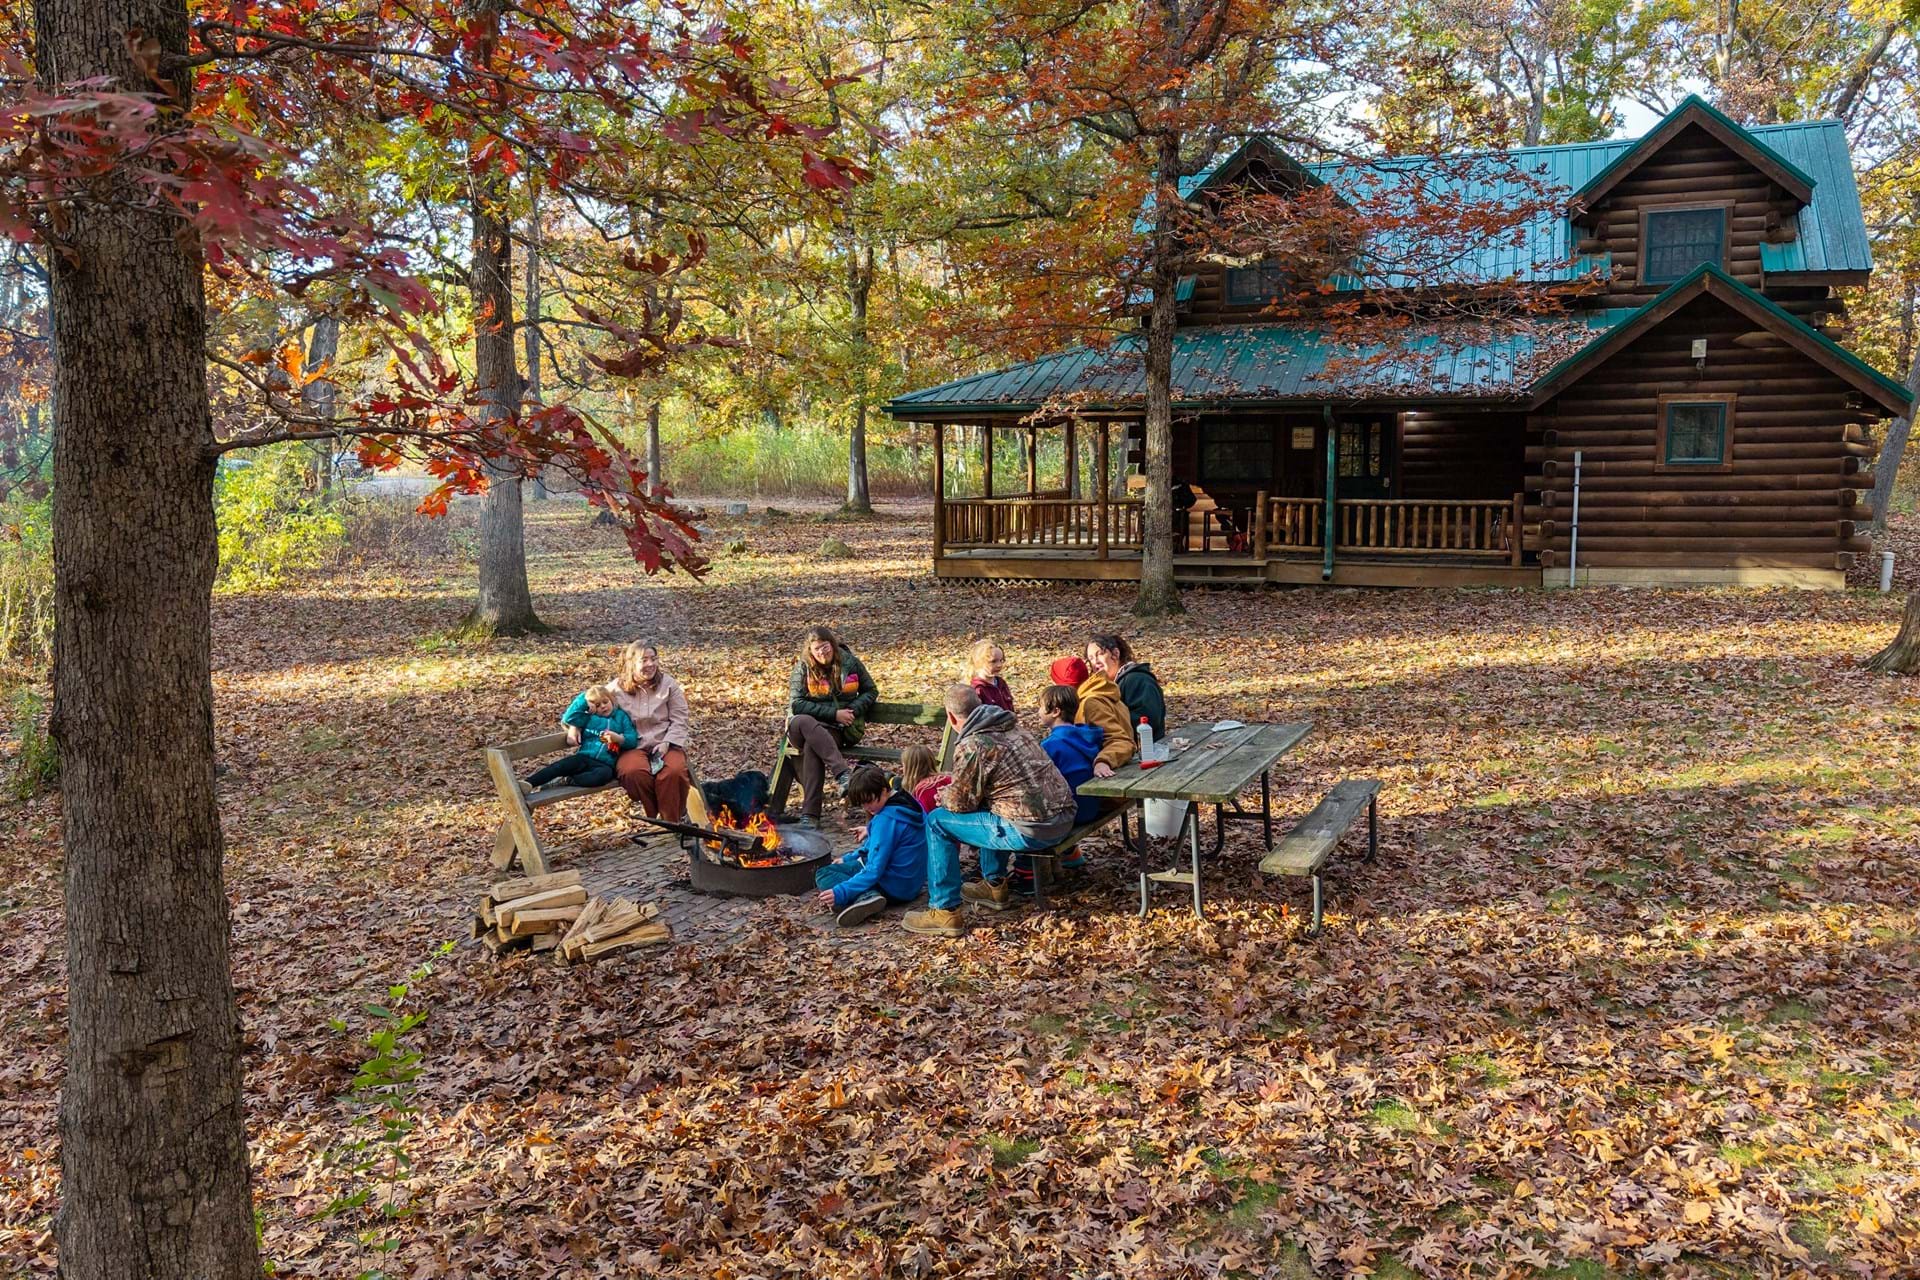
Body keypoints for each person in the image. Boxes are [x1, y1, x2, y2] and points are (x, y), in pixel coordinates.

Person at [903, 685, 1076, 937]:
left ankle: (944, 910)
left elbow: (960, 803)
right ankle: (993, 884)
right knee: (990, 801)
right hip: (1065, 818)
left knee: (937, 821)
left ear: (951, 718)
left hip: (1033, 829)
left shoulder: (974, 745)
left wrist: (944, 795)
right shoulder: (1015, 729)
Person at [1008, 684, 1106, 896]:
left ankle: (1026, 876)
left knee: (1026, 816)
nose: (1038, 712)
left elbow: (1035, 782)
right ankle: (1071, 855)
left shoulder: (1052, 745)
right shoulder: (1086, 736)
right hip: (1091, 805)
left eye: (1041, 707)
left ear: (1055, 711)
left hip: (1072, 811)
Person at [782, 625, 878, 828]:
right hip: (800, 725)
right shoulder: (803, 668)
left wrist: (852, 710)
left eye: (825, 647)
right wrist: (833, 713)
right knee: (807, 723)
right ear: (810, 651)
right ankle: (843, 774)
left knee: (813, 747)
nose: (822, 653)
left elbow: (871, 691)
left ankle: (810, 816)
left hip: (834, 729)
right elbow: (797, 704)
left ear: (832, 645)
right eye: (817, 650)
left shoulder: (850, 663)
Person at [814, 766, 928, 929]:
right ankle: (861, 899)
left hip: (893, 887)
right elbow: (888, 840)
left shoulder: (885, 820)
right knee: (842, 866)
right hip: (912, 883)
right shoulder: (909, 803)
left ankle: (867, 897)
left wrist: (841, 892)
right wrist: (849, 857)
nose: (867, 808)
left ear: (883, 791)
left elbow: (874, 869)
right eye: (862, 804)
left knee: (824, 873)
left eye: (869, 802)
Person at [607, 640, 692, 821]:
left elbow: (680, 718)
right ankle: (656, 817)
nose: (650, 664)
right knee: (633, 773)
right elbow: (587, 703)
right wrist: (573, 726)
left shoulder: (668, 684)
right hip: (632, 745)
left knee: (673, 773)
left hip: (665, 743)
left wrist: (667, 743)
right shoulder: (615, 688)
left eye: (653, 659)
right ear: (631, 663)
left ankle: (672, 822)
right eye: (644, 660)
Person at [524, 685, 636, 791]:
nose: (602, 706)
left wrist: (619, 738)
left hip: (605, 764)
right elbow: (569, 718)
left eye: (605, 702)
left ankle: (568, 780)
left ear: (611, 700)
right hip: (584, 757)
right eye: (597, 705)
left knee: (603, 775)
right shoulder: (588, 718)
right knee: (559, 766)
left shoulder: (621, 717)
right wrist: (584, 701)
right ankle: (529, 783)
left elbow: (632, 740)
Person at [1088, 632, 1166, 741]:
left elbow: (1148, 720)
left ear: (1115, 653)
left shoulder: (1138, 680)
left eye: (1100, 654)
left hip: (1147, 751)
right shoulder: (1109, 685)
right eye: (1091, 658)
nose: (1095, 662)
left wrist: (1106, 725)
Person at [1069, 652, 1135, 777]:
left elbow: (1121, 741)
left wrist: (1103, 761)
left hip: (1111, 779)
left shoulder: (1092, 703)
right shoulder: (1101, 694)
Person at [896, 743, 950, 814]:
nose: (901, 769)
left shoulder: (924, 790)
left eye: (904, 766)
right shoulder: (946, 778)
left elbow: (927, 818)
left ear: (911, 768)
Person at [965, 637, 1013, 712]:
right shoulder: (977, 689)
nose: (999, 665)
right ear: (978, 662)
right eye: (993, 661)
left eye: (1001, 660)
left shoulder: (1001, 683)